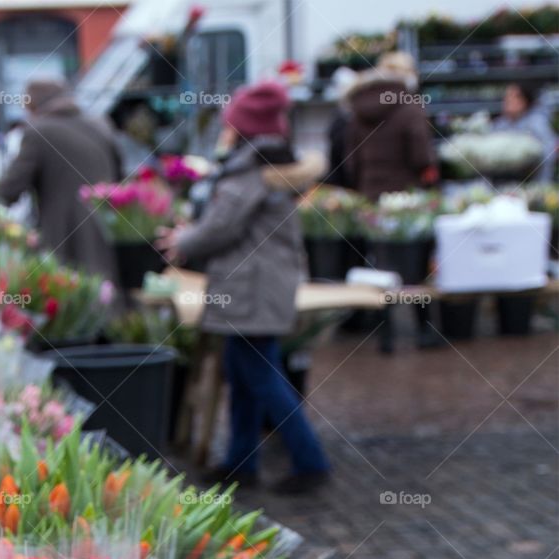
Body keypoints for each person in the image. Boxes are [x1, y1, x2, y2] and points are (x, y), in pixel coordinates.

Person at [158, 81, 330, 494]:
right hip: (258, 288)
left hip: (250, 291)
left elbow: (219, 229)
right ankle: (242, 463)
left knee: (260, 375)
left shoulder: (248, 172)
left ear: (242, 128)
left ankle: (310, 461)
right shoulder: (269, 167)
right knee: (244, 372)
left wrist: (181, 241)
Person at [0, 78, 121, 277]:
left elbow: (9, 190)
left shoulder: (38, 132)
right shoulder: (101, 127)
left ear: (33, 105)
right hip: (107, 236)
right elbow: (120, 177)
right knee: (102, 293)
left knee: (69, 297)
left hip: (63, 239)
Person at [345, 52, 437, 200]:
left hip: (367, 193)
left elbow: (351, 161)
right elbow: (422, 158)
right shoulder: (411, 109)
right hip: (405, 197)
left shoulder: (358, 108)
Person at [494, 82, 556, 181]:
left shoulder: (537, 122)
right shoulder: (499, 124)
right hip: (503, 179)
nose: (508, 100)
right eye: (506, 96)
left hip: (534, 180)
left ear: (524, 101)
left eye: (514, 97)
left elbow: (551, 149)